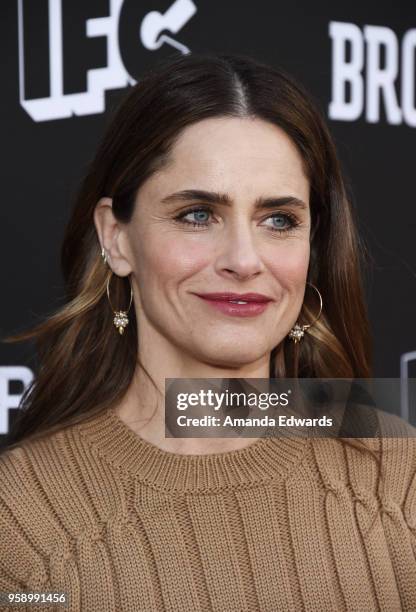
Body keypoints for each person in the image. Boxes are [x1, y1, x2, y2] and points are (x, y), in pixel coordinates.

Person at [1, 51, 415, 611]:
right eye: (198, 214)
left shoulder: (400, 473)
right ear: (116, 238)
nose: (244, 260)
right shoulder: (21, 519)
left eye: (279, 220)